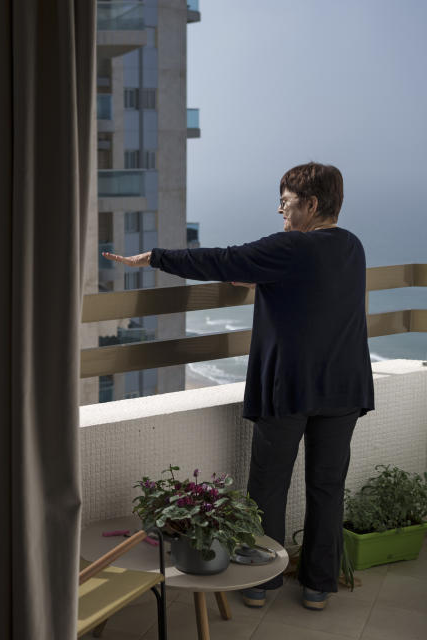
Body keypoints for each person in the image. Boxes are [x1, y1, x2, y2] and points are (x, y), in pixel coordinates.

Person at [102, 162, 374, 611]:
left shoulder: (290, 247)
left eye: (285, 202)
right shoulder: (352, 247)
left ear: (310, 203)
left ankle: (260, 582)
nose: (280, 211)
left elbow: (222, 258)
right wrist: (262, 274)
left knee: (268, 485)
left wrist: (155, 256)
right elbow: (308, 286)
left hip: (290, 388)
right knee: (327, 487)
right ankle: (318, 585)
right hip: (343, 387)